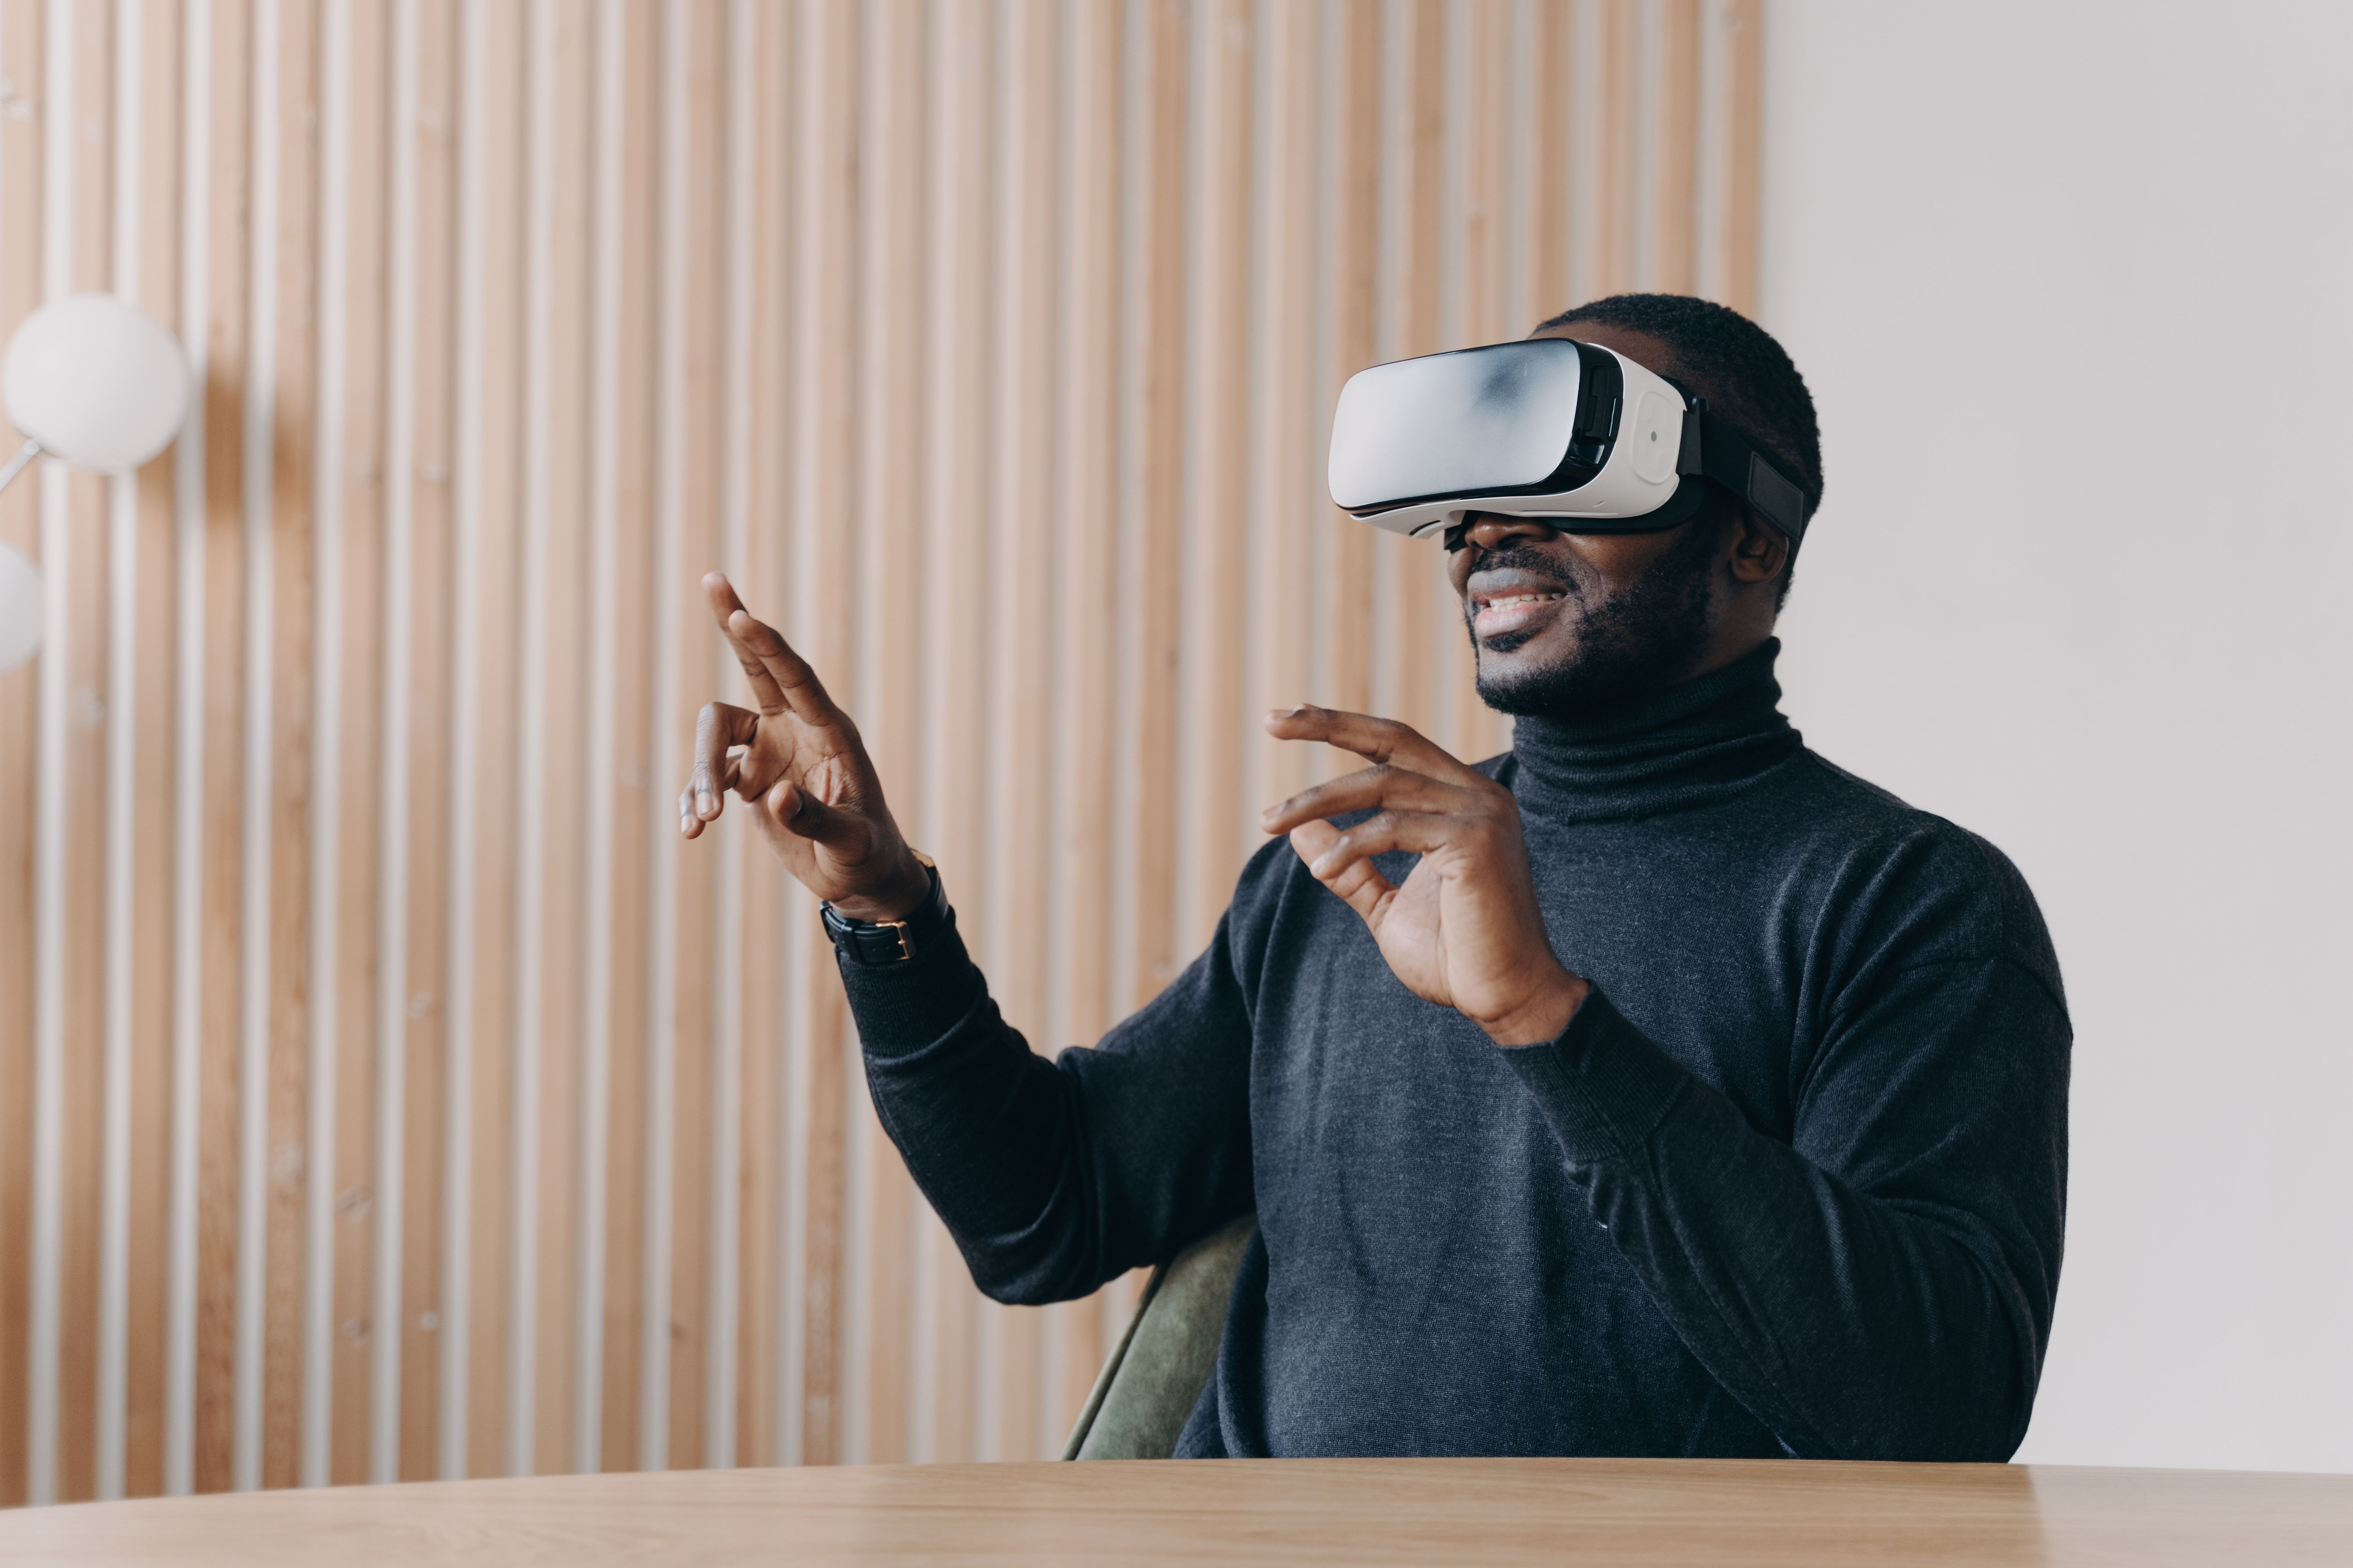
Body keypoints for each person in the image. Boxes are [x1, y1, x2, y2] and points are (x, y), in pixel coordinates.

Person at [677, 293, 2069, 1461]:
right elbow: (1043, 1216)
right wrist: (885, 910)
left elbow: (1934, 1407)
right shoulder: (1356, 869)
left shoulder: (1908, 904)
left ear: (1752, 537)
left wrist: (1546, 1017)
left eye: (1569, 475)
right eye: (1471, 495)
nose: (1484, 532)